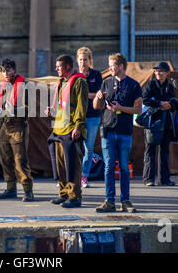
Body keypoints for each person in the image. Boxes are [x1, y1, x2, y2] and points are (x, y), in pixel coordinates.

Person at [93, 53, 142, 213]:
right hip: (107, 130)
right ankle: (109, 200)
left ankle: (125, 200)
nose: (109, 68)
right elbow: (96, 106)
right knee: (108, 167)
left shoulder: (134, 85)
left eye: (112, 65)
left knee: (123, 167)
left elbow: (138, 109)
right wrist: (99, 97)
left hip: (124, 131)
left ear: (121, 66)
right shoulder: (106, 83)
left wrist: (120, 108)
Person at [46, 54, 88, 208]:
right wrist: (52, 110)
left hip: (70, 129)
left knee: (73, 165)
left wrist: (78, 126)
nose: (56, 69)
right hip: (58, 129)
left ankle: (75, 197)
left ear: (68, 67)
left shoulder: (79, 82)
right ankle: (63, 193)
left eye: (59, 66)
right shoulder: (62, 82)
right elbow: (61, 105)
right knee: (61, 165)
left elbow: (81, 107)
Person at [0, 58, 34, 202]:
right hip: (4, 126)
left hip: (18, 125)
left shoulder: (24, 85)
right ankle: (10, 188)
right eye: (4, 71)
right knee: (5, 159)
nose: (6, 73)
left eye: (8, 70)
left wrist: (13, 110)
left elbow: (29, 109)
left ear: (14, 70)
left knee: (20, 160)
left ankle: (27, 190)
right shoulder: (3, 85)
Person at [142, 61, 176, 187]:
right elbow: (144, 99)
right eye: (156, 71)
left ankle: (165, 179)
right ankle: (148, 179)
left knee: (165, 151)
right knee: (150, 150)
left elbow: (173, 102)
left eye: (161, 71)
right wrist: (160, 104)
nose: (158, 73)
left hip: (166, 121)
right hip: (152, 122)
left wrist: (169, 106)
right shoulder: (150, 85)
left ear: (167, 73)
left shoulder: (170, 86)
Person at [76, 47, 102, 189]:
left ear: (90, 60)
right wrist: (90, 95)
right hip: (76, 118)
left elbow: (99, 94)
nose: (83, 62)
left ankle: (84, 176)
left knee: (88, 148)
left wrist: (84, 95)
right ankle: (71, 176)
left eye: (85, 59)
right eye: (80, 59)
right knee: (73, 147)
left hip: (92, 117)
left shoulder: (96, 75)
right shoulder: (74, 75)